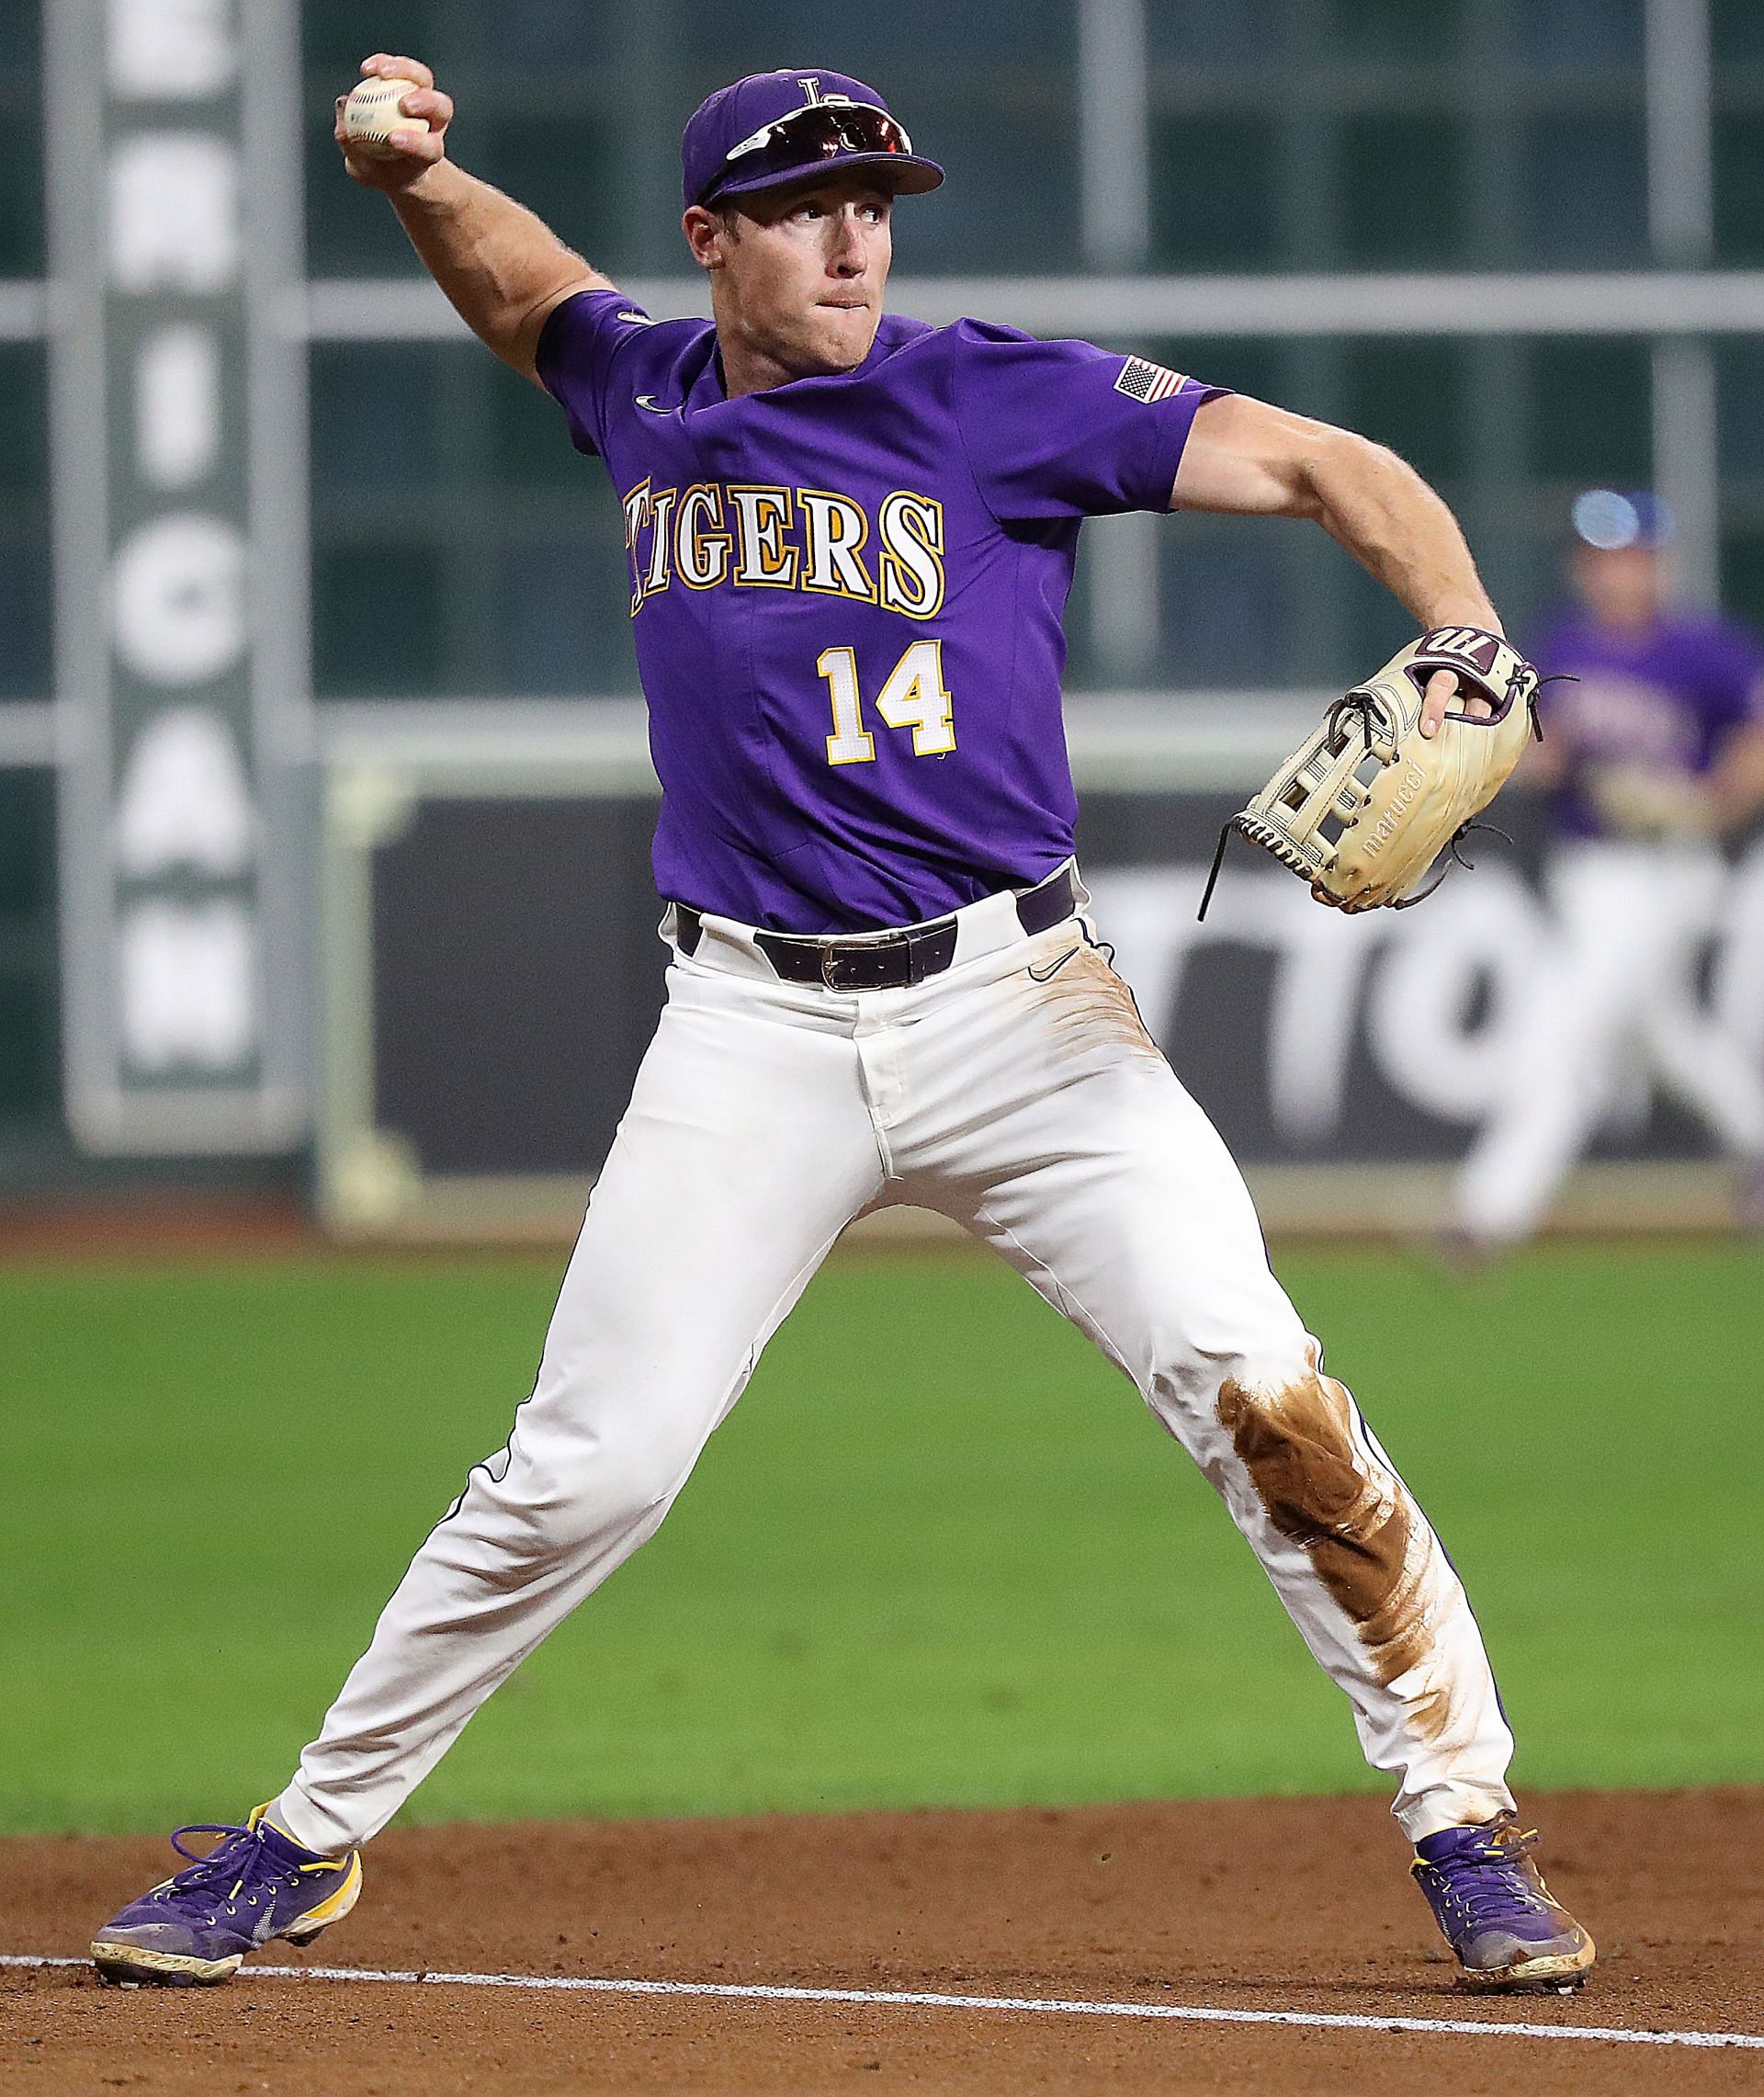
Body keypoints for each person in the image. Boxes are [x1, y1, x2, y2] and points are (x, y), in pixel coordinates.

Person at [92, 57, 1594, 1997]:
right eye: (807, 202)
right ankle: (300, 1840)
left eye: (877, 193)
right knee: (593, 1461)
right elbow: (522, 284)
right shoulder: (641, 389)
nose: (856, 230)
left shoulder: (989, 394)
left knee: (1258, 1381)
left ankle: (1462, 1817)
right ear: (712, 239)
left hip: (1023, 1006)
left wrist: (1469, 628)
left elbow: (1331, 468)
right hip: (749, 1025)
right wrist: (417, 178)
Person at [1451, 490, 1764, 1253]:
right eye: (1599, 558)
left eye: (1629, 557)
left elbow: (1755, 736)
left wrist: (1706, 803)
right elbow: (1535, 749)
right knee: (1667, 1036)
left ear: (1658, 564)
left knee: (1563, 1036)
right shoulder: (1564, 647)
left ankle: (1485, 1215)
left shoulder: (1702, 649)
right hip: (1588, 868)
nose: (1613, 573)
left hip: (1669, 868)